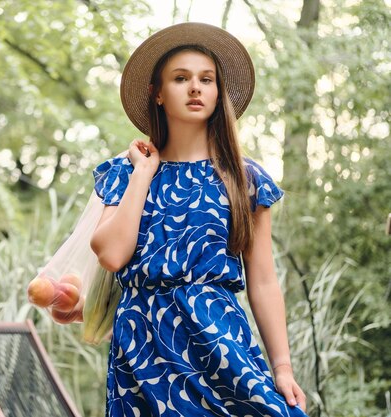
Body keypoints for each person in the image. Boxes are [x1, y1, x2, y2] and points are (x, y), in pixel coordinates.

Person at [90, 22, 308, 416]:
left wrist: (283, 368)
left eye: (206, 79)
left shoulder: (245, 179)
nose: (195, 87)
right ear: (157, 93)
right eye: (180, 78)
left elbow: (262, 281)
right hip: (143, 347)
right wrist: (142, 172)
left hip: (219, 340)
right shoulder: (125, 173)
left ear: (217, 92)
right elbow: (111, 254)